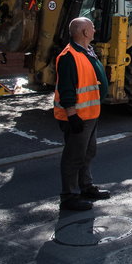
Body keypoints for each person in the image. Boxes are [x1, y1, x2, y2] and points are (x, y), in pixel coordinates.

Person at [54, 17, 110, 211]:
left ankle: (86, 187)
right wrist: (72, 115)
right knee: (74, 156)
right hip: (78, 116)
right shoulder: (69, 56)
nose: (95, 30)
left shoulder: (86, 51)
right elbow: (66, 88)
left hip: (90, 113)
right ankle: (68, 196)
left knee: (88, 152)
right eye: (92, 27)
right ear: (85, 32)